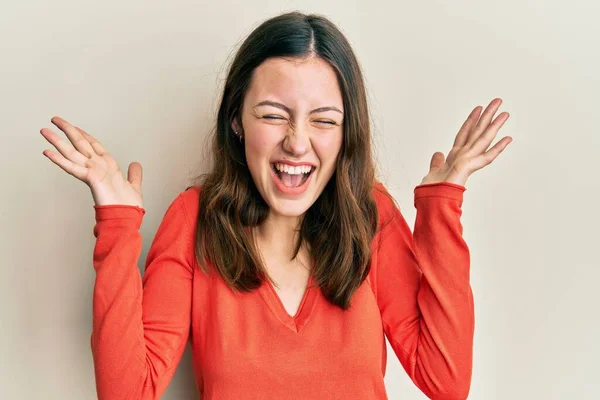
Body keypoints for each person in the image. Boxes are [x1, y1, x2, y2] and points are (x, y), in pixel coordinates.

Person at [40, 11, 512, 400]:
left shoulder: (372, 215)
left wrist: (441, 208)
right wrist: (118, 225)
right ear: (237, 121)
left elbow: (446, 381)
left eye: (324, 120)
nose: (297, 142)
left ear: (346, 133)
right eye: (272, 115)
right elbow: (127, 393)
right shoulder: (194, 219)